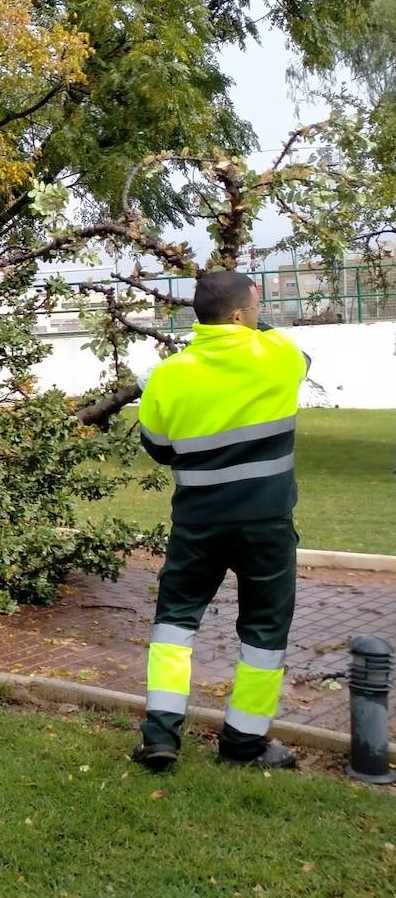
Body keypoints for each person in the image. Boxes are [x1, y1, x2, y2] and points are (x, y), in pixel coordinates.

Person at [133, 271, 310, 771]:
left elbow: (160, 449)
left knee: (174, 624)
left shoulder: (169, 374)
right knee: (264, 631)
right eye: (254, 305)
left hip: (198, 524)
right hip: (266, 524)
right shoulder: (279, 356)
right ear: (240, 314)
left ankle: (161, 737)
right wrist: (255, 320)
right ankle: (243, 744)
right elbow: (292, 353)